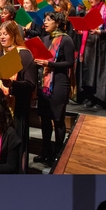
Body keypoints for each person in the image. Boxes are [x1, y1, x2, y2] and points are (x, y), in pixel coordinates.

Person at [34, 12, 74, 164]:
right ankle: (45, 151)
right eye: (45, 19)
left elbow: (70, 63)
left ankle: (58, 153)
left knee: (58, 120)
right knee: (45, 120)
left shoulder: (66, 40)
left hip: (59, 83)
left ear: (57, 23)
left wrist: (49, 64)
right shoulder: (45, 39)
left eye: (48, 19)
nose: (45, 22)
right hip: (44, 82)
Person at [0, 20, 37, 173]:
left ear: (14, 35)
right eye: (0, 34)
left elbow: (30, 84)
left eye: (5, 34)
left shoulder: (24, 54)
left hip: (17, 107)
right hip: (0, 107)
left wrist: (12, 85)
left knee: (16, 145)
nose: (2, 37)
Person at [79, 0, 106, 108]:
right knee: (89, 71)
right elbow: (87, 28)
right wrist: (81, 30)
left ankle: (99, 99)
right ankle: (90, 96)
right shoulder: (89, 11)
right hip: (90, 44)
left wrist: (100, 32)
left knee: (99, 71)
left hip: (101, 45)